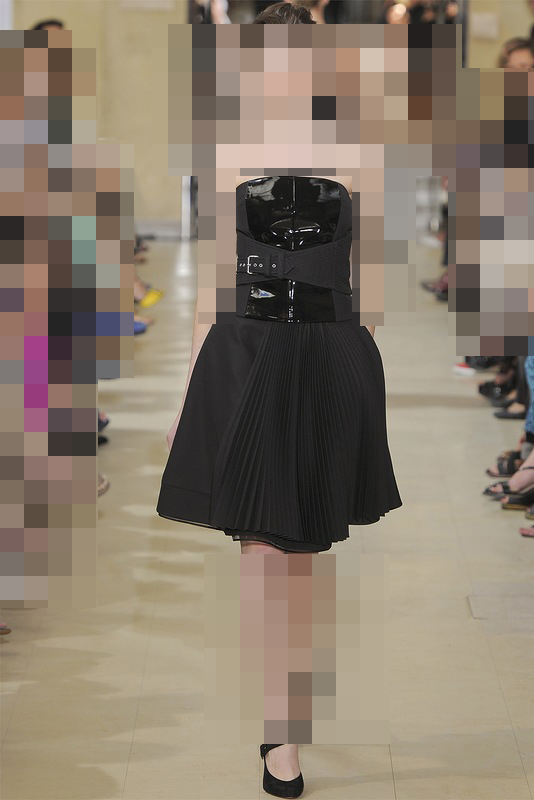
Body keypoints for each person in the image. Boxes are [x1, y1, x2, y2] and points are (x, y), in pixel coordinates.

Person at [156, 5, 402, 797]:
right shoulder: (225, 149)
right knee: (263, 556)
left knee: (305, 561)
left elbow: (375, 284)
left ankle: (287, 712)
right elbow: (212, 282)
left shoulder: (361, 150)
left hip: (329, 355)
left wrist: (360, 376)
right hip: (245, 351)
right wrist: (188, 393)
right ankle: (282, 729)